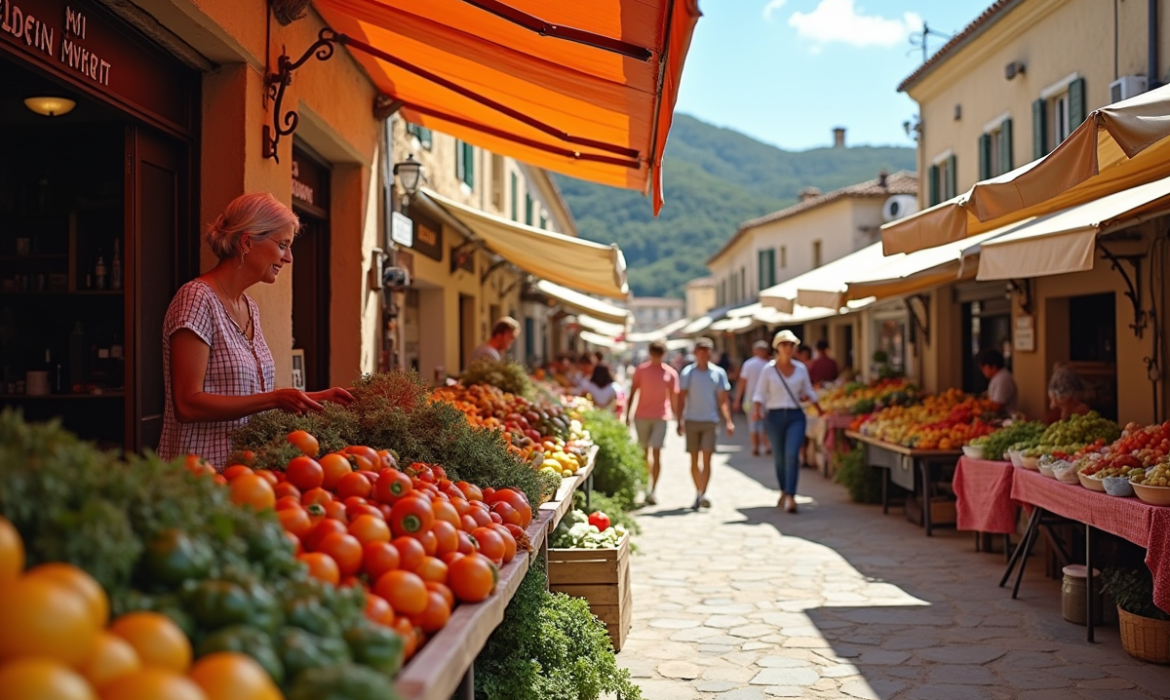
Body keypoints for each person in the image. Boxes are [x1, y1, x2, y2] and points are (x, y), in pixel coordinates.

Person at [158, 192, 354, 468]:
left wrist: (320, 398)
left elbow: (250, 397)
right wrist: (275, 398)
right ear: (248, 242)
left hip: (247, 474)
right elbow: (187, 404)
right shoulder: (196, 298)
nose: (289, 258)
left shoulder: (250, 307)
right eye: (283, 245)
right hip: (200, 477)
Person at [752, 330, 822, 514]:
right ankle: (783, 490)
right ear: (777, 347)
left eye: (791, 344)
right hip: (774, 416)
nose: (788, 348)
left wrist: (817, 405)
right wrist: (757, 409)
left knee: (792, 455)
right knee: (780, 458)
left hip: (795, 416)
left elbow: (809, 389)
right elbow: (760, 392)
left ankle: (791, 495)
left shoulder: (800, 368)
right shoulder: (768, 370)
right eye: (784, 344)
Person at [677, 337, 734, 510]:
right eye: (700, 350)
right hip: (692, 420)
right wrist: (679, 419)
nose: (703, 353)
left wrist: (729, 421)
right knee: (694, 459)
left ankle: (703, 493)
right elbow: (681, 398)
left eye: (706, 350)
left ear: (710, 353)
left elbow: (723, 400)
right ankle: (698, 492)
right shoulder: (688, 373)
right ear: (695, 353)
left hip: (710, 420)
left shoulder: (718, 373)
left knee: (707, 458)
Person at [626, 341, 680, 505]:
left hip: (661, 417)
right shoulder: (641, 370)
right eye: (654, 353)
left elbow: (673, 398)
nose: (656, 357)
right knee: (643, 453)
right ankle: (645, 487)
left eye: (659, 354)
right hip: (642, 416)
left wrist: (678, 419)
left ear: (663, 354)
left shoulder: (670, 373)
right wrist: (628, 415)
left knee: (656, 453)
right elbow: (633, 391)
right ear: (650, 353)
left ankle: (654, 489)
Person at [734, 341, 772, 457]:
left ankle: (755, 447)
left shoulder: (748, 364)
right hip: (767, 400)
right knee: (764, 424)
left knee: (753, 424)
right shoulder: (769, 365)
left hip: (749, 400)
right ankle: (766, 446)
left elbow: (742, 382)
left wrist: (737, 399)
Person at [977, 348, 1018, 414]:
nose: (982, 371)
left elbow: (997, 405)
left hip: (1005, 418)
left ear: (992, 366)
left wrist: (978, 404)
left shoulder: (1002, 379)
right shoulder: (998, 377)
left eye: (983, 368)